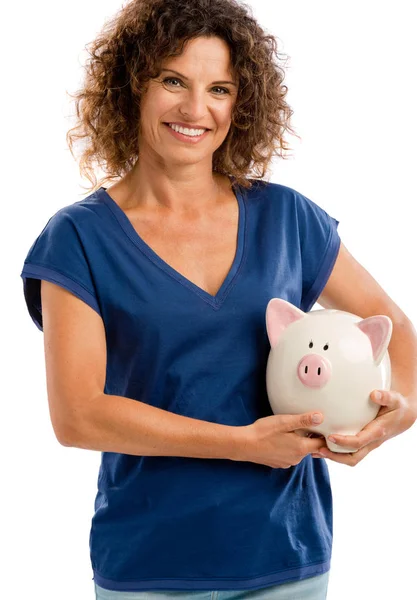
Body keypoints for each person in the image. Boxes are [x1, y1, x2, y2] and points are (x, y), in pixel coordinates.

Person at [19, 0, 417, 599]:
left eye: (220, 88)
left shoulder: (289, 219)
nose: (195, 109)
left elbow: (400, 340)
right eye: (173, 80)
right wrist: (241, 445)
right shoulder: (78, 238)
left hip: (289, 562)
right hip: (150, 568)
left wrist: (389, 423)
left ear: (242, 103)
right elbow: (78, 416)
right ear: (133, 87)